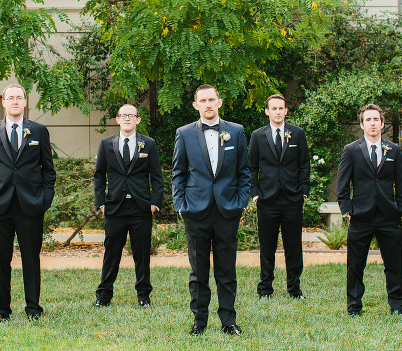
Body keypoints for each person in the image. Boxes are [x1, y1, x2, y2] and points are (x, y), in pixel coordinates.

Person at [171, 84, 251, 335]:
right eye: (202, 100)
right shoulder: (184, 134)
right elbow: (178, 173)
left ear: (219, 102)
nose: (207, 104)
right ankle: (199, 321)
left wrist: (240, 202)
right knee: (199, 271)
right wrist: (181, 205)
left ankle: (229, 321)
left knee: (227, 269)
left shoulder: (236, 132)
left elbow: (244, 172)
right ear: (196, 105)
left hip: (228, 210)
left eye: (211, 99)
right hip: (196, 211)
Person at [0, 84, 55, 321]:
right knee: (0, 261)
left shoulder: (39, 131)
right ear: (3, 102)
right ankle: (2, 310)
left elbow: (48, 171)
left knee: (31, 260)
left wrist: (44, 200)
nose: (14, 101)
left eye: (18, 98)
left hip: (30, 206)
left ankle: (33, 308)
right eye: (10, 98)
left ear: (24, 102)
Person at [337, 103, 402, 316]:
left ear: (382, 123)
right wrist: (348, 208)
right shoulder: (351, 151)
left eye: (376, 119)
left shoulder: (394, 150)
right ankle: (354, 307)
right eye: (368, 120)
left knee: (394, 265)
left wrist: (400, 208)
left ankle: (397, 307)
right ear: (362, 125)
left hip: (388, 217)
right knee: (355, 266)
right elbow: (342, 185)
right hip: (361, 216)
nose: (372, 123)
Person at [93, 104, 162, 309]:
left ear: (138, 120)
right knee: (111, 253)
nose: (127, 118)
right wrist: (101, 203)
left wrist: (155, 204)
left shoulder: (148, 144)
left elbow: (157, 176)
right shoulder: (106, 144)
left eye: (131, 115)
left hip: (141, 208)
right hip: (115, 208)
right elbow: (99, 175)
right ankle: (103, 296)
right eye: (123, 115)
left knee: (142, 254)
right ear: (117, 119)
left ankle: (143, 296)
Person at [248, 94, 310, 299]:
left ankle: (294, 289)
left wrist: (303, 192)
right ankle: (265, 289)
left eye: (281, 108)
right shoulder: (258, 136)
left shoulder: (298, 134)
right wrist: (255, 194)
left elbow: (304, 165)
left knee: (293, 246)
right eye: (273, 108)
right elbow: (252, 168)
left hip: (293, 199)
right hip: (267, 200)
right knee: (267, 247)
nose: (277, 112)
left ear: (286, 111)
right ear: (267, 111)